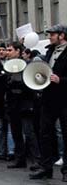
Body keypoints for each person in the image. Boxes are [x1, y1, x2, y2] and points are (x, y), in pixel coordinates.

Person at [30, 24, 67, 180]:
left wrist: (62, 80)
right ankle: (46, 168)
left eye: (52, 34)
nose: (49, 37)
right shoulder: (50, 51)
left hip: (65, 100)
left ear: (62, 36)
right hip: (49, 99)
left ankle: (66, 171)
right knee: (45, 133)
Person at [3, 42, 40, 170]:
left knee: (29, 132)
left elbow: (31, 84)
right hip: (13, 103)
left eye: (10, 50)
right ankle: (20, 159)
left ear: (18, 51)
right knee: (16, 132)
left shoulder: (27, 66)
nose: (8, 52)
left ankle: (37, 160)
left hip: (25, 103)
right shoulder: (7, 66)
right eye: (7, 50)